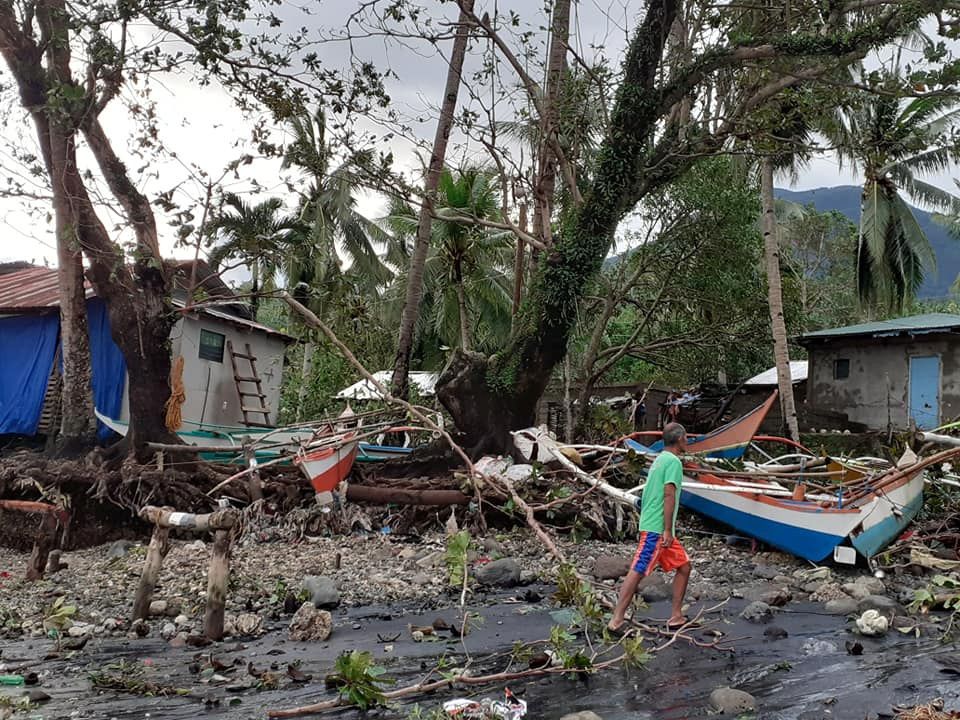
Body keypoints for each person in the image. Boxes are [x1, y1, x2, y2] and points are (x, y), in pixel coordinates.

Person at [608, 422, 693, 634]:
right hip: (657, 529)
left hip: (656, 527)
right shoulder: (672, 462)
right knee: (638, 570)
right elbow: (668, 494)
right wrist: (666, 529)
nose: (688, 441)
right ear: (680, 439)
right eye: (686, 438)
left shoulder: (658, 460)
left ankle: (676, 615)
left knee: (684, 566)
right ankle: (616, 619)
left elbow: (647, 493)